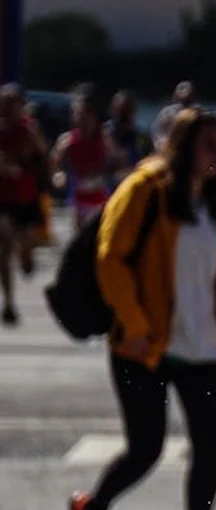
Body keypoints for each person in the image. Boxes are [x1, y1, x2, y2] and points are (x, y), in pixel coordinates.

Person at [67, 108, 216, 510]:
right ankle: (93, 509)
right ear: (184, 145)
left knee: (209, 448)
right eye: (208, 144)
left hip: (204, 347)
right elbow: (110, 258)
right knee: (145, 448)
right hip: (143, 345)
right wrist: (133, 323)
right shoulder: (145, 189)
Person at [0, 84, 46, 327]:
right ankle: (9, 303)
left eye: (13, 104)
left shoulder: (29, 130)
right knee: (4, 245)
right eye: (5, 104)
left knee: (25, 247)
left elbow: (43, 156)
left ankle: (26, 255)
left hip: (26, 197)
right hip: (3, 199)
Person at [53, 90, 121, 232]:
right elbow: (55, 163)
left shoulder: (105, 138)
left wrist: (107, 174)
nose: (82, 119)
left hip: (101, 198)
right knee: (81, 237)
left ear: (94, 116)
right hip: (79, 200)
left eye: (86, 114)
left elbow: (119, 161)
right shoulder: (67, 140)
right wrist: (59, 175)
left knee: (100, 236)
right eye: (78, 114)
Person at [105, 90, 153, 185]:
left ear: (133, 111)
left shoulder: (142, 138)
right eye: (120, 110)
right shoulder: (103, 135)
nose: (123, 115)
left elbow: (149, 164)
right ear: (112, 110)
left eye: (127, 110)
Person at [153, 81, 198, 152]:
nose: (182, 104)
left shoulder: (199, 114)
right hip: (169, 150)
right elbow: (158, 136)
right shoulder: (167, 113)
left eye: (187, 100)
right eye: (182, 100)